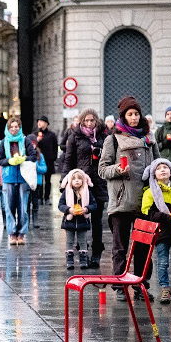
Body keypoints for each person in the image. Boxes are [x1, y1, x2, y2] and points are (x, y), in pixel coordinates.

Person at [98, 96, 159, 302]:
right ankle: (119, 285)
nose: (134, 118)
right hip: (122, 202)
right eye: (129, 114)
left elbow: (158, 165)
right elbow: (102, 169)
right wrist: (118, 169)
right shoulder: (112, 139)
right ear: (123, 117)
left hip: (145, 202)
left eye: (136, 114)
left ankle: (141, 284)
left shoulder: (148, 139)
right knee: (120, 247)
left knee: (144, 247)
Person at [63, 109, 108, 268]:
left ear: (96, 121)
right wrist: (65, 180)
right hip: (80, 184)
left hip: (99, 182)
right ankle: (83, 251)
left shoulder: (103, 136)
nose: (89, 123)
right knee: (81, 218)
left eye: (92, 121)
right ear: (82, 121)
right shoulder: (74, 136)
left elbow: (110, 156)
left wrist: (99, 149)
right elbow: (68, 160)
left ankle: (96, 253)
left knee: (97, 220)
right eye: (86, 121)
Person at [141, 158, 171, 305]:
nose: (162, 170)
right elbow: (148, 212)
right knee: (162, 263)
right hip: (162, 234)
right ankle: (164, 288)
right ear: (153, 174)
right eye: (159, 168)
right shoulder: (150, 192)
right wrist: (168, 218)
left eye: (165, 167)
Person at [0, 116, 36, 245]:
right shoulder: (4, 142)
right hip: (8, 178)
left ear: (20, 128)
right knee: (9, 207)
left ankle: (21, 233)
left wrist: (23, 158)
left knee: (23, 207)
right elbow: (0, 160)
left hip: (23, 177)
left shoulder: (25, 141)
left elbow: (33, 156)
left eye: (16, 126)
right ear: (8, 128)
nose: (14, 129)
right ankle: (12, 233)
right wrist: (9, 161)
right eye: (11, 127)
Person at [59, 169, 96, 270]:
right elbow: (61, 205)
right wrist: (69, 210)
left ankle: (83, 260)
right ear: (70, 181)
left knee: (83, 241)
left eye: (79, 179)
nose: (77, 181)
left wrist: (86, 209)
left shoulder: (87, 192)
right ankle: (69, 261)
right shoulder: (67, 192)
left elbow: (94, 205)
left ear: (84, 181)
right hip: (69, 221)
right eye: (74, 179)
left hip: (82, 221)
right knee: (69, 241)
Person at [35, 116, 59, 204]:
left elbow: (55, 147)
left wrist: (54, 158)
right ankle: (39, 197)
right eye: (38, 121)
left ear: (46, 123)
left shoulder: (51, 135)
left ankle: (47, 197)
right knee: (39, 180)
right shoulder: (35, 134)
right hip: (39, 160)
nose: (39, 123)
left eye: (41, 121)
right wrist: (37, 140)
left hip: (49, 160)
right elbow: (31, 145)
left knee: (48, 180)